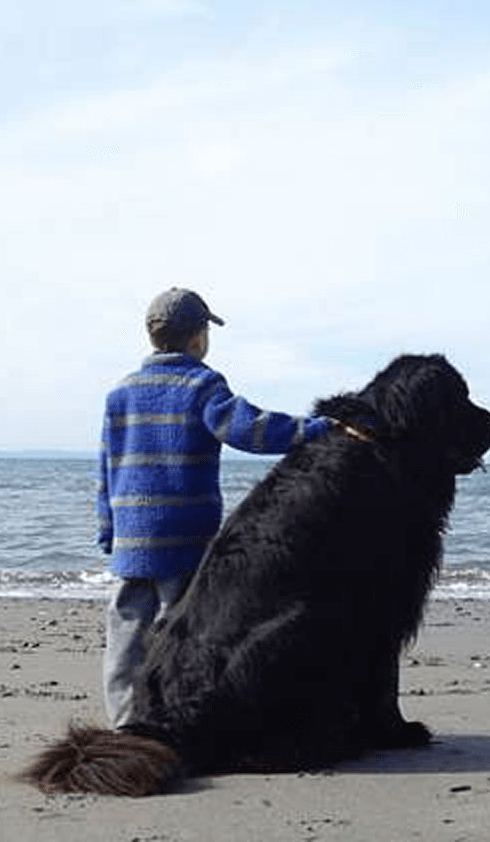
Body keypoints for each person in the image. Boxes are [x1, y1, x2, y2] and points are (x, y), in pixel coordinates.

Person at [96, 287, 333, 727]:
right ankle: (170, 718)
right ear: (198, 338)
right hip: (185, 538)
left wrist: (108, 528)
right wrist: (316, 430)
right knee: (181, 630)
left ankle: (126, 721)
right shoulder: (202, 385)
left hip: (132, 538)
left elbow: (107, 467)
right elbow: (250, 429)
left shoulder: (120, 393)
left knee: (125, 632)